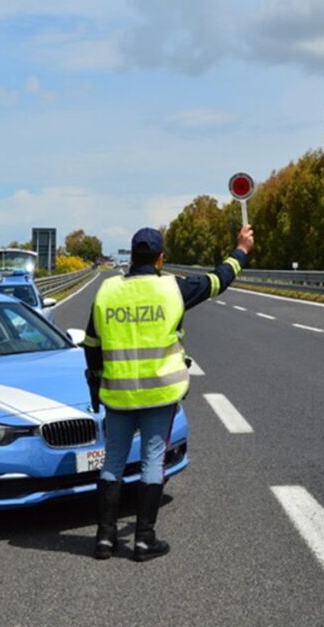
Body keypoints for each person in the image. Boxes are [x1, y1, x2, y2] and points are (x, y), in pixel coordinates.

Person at [83, 225, 254, 561]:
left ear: (131, 258)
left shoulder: (107, 292)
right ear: (160, 259)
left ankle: (105, 538)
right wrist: (242, 251)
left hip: (118, 395)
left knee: (112, 463)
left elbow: (91, 345)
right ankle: (144, 539)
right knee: (151, 461)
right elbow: (218, 280)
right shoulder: (172, 289)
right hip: (159, 394)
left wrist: (97, 384)